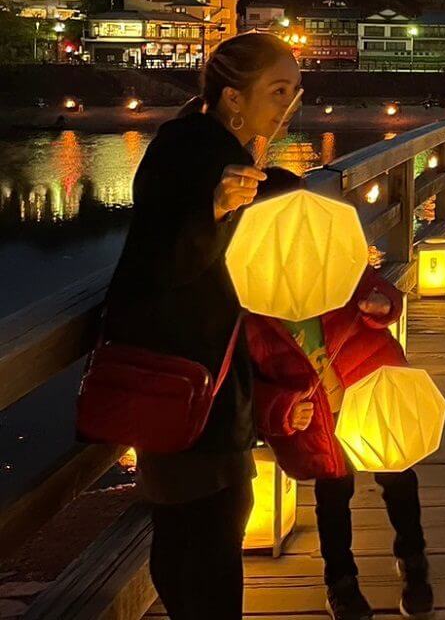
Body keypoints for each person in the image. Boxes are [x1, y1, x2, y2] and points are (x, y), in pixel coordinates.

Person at [99, 32, 300, 620]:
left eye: (295, 90)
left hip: (205, 369)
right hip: (176, 370)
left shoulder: (226, 147)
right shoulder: (189, 147)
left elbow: (260, 197)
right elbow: (161, 259)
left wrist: (290, 189)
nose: (289, 103)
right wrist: (214, 209)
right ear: (233, 97)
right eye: (278, 89)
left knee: (205, 520)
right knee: (205, 525)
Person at [246, 261, 433, 620]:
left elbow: (383, 294)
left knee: (398, 479)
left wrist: (382, 305)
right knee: (332, 495)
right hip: (319, 417)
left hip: (372, 388)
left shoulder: (336, 265)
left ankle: (413, 556)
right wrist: (282, 407)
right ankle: (341, 580)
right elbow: (251, 384)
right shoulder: (253, 316)